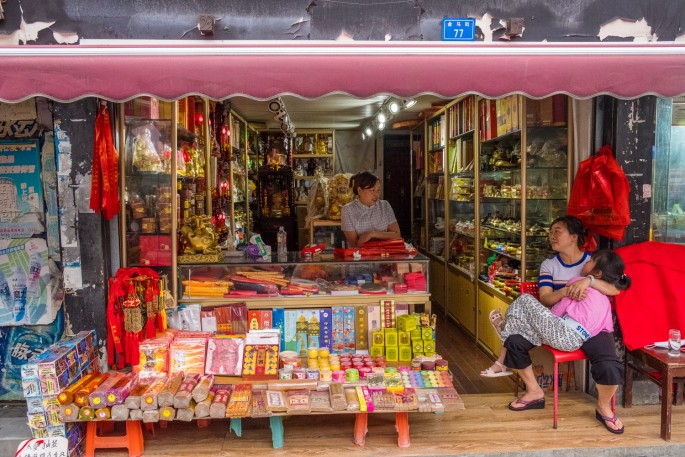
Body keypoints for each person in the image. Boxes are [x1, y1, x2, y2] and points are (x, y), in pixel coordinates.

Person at [480, 216, 627, 434]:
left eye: (557, 231)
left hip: (591, 328)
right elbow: (547, 299)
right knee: (514, 341)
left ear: (574, 237)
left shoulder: (593, 261)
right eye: (551, 231)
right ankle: (534, 391)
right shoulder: (549, 265)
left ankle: (604, 407)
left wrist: (589, 281)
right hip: (559, 322)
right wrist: (566, 292)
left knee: (608, 364)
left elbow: (616, 288)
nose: (552, 236)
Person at [340, 171, 401, 248]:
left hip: (386, 254)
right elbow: (355, 244)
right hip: (360, 256)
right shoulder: (348, 210)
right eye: (372, 190)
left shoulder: (385, 205)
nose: (376, 194)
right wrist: (385, 236)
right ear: (360, 190)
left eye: (378, 190)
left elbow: (397, 235)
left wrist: (372, 234)